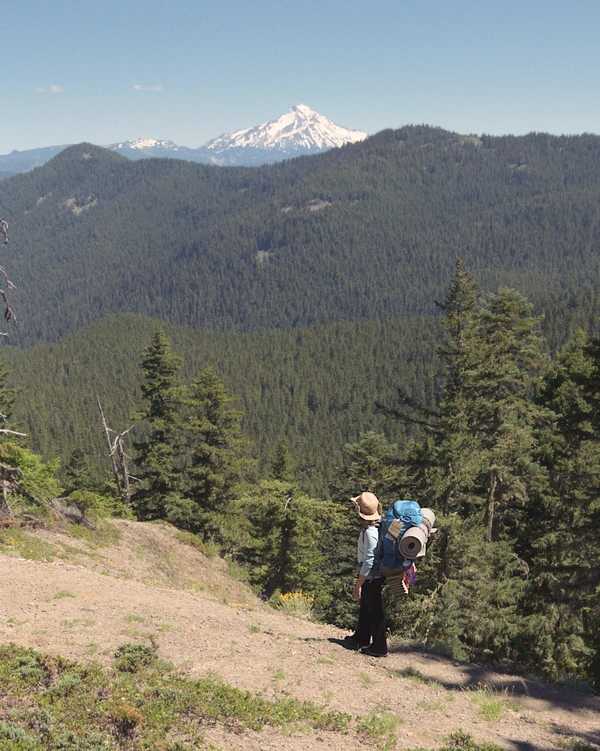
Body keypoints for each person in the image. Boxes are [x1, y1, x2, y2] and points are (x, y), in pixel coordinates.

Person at [343, 491, 388, 657]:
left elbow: (369, 561)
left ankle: (379, 647)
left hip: (371, 577)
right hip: (377, 575)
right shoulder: (379, 526)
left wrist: (359, 584)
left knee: (375, 611)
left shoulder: (370, 532)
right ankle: (360, 638)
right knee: (367, 607)